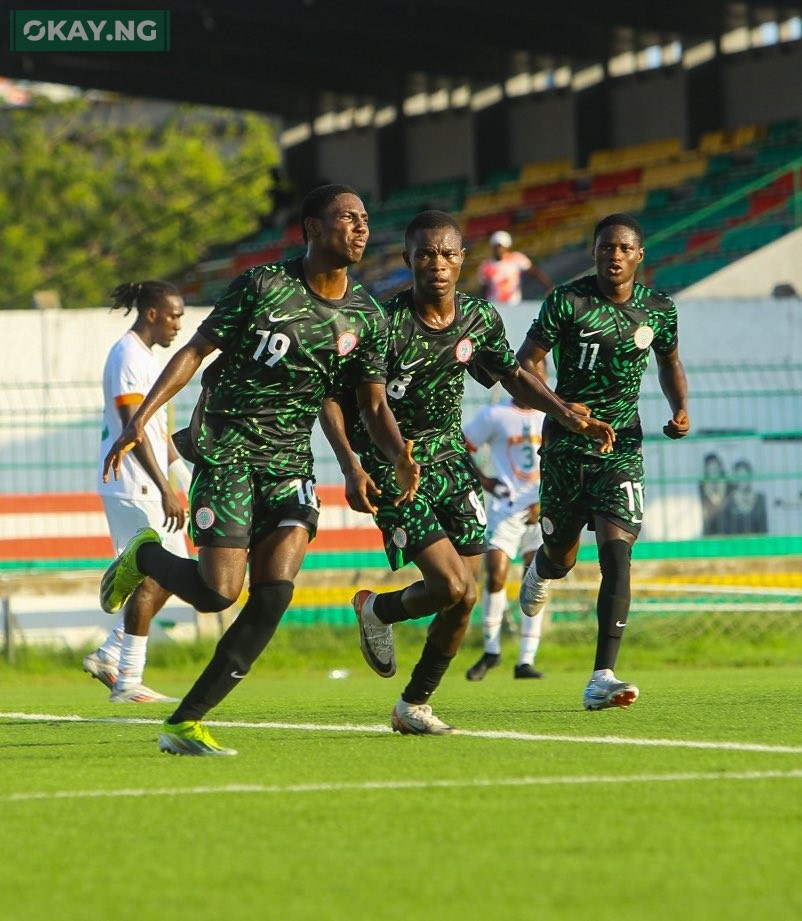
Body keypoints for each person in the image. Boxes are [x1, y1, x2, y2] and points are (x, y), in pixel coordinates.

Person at [100, 184, 420, 756]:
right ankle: (143, 554)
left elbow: (368, 403)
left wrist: (388, 455)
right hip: (229, 450)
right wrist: (138, 422)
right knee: (217, 594)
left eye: (365, 218)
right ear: (312, 229)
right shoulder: (263, 285)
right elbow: (195, 352)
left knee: (273, 595)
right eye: (346, 217)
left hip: (291, 462)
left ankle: (184, 722)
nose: (360, 226)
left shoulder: (366, 315)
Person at [320, 210, 615, 735]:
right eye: (426, 254)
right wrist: (355, 463)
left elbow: (513, 375)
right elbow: (348, 402)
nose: (437, 263)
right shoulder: (382, 325)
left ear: (463, 260)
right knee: (452, 582)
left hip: (450, 460)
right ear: (409, 260)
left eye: (448, 254)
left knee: (467, 596)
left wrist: (565, 412)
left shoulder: (479, 319)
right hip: (395, 465)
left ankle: (408, 693)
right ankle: (382, 618)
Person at [517, 212, 690, 711]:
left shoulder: (658, 310)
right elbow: (524, 365)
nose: (613, 255)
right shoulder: (567, 302)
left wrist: (680, 407)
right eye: (605, 247)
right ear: (593, 253)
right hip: (566, 446)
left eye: (623, 248)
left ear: (638, 256)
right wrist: (564, 409)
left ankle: (602, 676)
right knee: (562, 554)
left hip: (621, 447)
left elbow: (669, 362)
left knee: (617, 554)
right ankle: (543, 569)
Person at [84, 280, 190, 703]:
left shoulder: (144, 357)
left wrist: (185, 480)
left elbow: (159, 432)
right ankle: (125, 677)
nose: (179, 325)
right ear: (152, 314)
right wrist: (165, 489)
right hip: (134, 484)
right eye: (174, 316)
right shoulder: (128, 355)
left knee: (173, 569)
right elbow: (136, 430)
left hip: (146, 483)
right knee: (169, 570)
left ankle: (113, 657)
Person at [462, 396, 547, 681]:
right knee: (496, 575)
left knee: (535, 580)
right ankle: (491, 650)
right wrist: (484, 481)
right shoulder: (495, 415)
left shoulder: (551, 412)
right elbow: (462, 445)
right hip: (504, 508)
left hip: (541, 507)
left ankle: (525, 660)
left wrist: (547, 500)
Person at [478, 230, 553, 307]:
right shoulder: (486, 265)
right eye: (496, 247)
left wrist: (549, 287)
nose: (499, 249)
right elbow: (483, 289)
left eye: (501, 246)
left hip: (513, 305)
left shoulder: (516, 258)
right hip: (495, 306)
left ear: (506, 246)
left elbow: (535, 272)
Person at [719, 458, 768, 534]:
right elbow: (726, 533)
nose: (743, 479)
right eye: (739, 476)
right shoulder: (728, 502)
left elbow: (764, 530)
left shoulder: (760, 499)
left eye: (745, 475)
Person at [699, 452, 730, 536]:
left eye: (715, 466)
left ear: (720, 467)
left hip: (728, 530)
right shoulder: (702, 486)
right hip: (709, 530)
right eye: (710, 467)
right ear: (706, 469)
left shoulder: (728, 484)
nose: (713, 470)